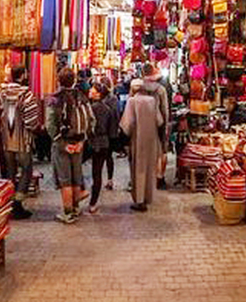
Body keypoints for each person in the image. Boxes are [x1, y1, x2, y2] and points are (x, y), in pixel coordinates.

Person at [46, 68, 94, 223]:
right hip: (78, 142)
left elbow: (50, 124)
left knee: (65, 179)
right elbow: (91, 120)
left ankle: (67, 213)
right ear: (73, 80)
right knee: (76, 175)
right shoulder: (82, 97)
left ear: (59, 80)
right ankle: (75, 208)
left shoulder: (55, 99)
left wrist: (61, 143)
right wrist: (81, 141)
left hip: (62, 144)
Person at [0, 65, 42, 220]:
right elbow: (31, 120)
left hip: (6, 140)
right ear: (22, 76)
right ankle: (17, 203)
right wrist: (35, 129)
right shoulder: (26, 95)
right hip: (22, 140)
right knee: (26, 170)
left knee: (10, 171)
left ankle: (8, 202)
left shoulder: (1, 93)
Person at [121, 78, 164, 212]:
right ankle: (148, 197)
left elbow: (127, 124)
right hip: (151, 139)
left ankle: (139, 200)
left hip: (137, 140)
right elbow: (159, 121)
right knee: (149, 168)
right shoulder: (152, 101)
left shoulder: (132, 102)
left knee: (138, 169)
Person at [87, 80, 119, 212]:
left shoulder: (90, 109)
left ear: (98, 94)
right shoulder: (108, 109)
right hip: (104, 142)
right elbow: (112, 131)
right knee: (97, 173)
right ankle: (93, 203)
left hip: (91, 142)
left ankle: (78, 195)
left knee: (78, 169)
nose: (89, 91)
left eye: (92, 90)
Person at [141, 63, 171, 189]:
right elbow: (165, 110)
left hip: (142, 123)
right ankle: (160, 178)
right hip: (158, 123)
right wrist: (166, 125)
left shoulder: (138, 87)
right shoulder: (160, 89)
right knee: (162, 151)